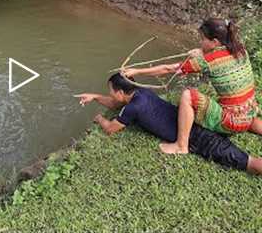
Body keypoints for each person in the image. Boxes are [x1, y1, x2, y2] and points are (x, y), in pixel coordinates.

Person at [75, 73, 262, 175]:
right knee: (246, 126)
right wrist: (94, 97)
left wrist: (100, 119)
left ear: (121, 92)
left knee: (247, 162)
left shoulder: (132, 108)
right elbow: (115, 103)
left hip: (196, 138)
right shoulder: (142, 93)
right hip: (196, 123)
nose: (109, 94)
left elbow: (110, 129)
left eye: (110, 91)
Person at [123, 18, 262, 154]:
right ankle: (249, 125)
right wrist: (202, 53)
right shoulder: (240, 49)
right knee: (242, 109)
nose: (200, 42)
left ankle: (181, 146)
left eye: (202, 39)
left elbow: (168, 69)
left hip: (230, 121)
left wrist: (137, 71)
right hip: (249, 113)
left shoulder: (206, 61)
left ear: (214, 42)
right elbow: (220, 57)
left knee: (188, 96)